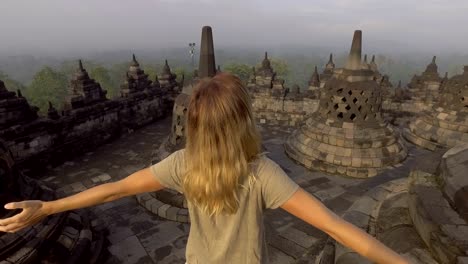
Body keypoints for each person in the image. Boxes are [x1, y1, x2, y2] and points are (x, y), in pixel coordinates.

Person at [0, 73, 408, 264]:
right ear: (245, 121)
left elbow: (115, 188)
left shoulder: (183, 164)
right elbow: (336, 226)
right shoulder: (261, 172)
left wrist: (50, 208)